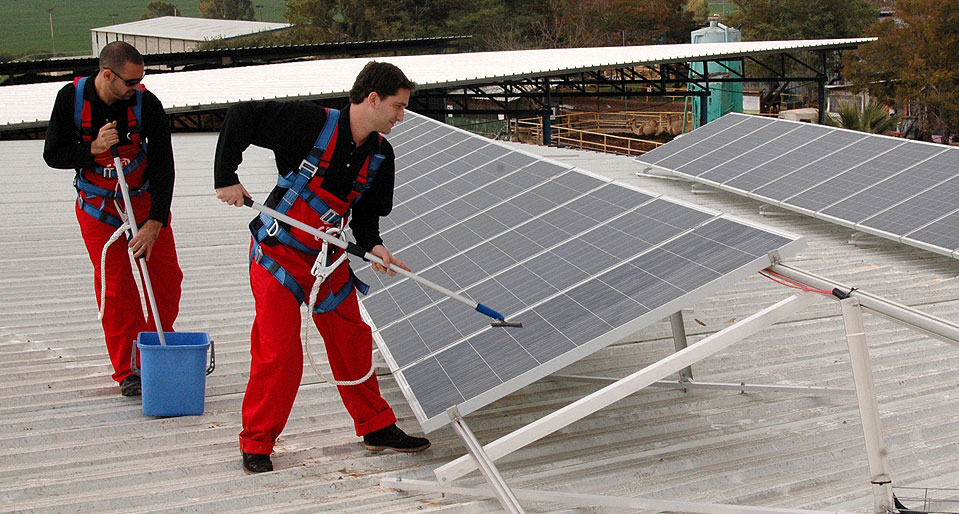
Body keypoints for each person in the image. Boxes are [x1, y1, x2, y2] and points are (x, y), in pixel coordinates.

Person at [214, 61, 430, 474]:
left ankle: (376, 427)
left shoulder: (382, 156)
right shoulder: (307, 122)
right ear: (372, 99)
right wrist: (226, 175)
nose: (401, 117)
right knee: (279, 352)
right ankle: (257, 442)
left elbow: (366, 220)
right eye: (397, 107)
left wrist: (374, 247)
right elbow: (243, 114)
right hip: (277, 255)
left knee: (353, 340)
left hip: (325, 261)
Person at [43, 41, 183, 398]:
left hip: (143, 200)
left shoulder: (146, 103)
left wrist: (155, 222)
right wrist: (91, 149)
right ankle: (129, 370)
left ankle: (153, 348)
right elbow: (53, 155)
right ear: (108, 75)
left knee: (166, 279)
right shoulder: (70, 100)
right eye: (132, 81)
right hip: (98, 206)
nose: (138, 87)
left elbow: (164, 163)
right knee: (116, 288)